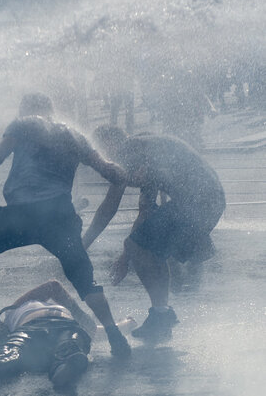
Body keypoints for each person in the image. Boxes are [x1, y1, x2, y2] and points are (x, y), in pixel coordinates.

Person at [0, 93, 131, 357]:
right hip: (59, 216)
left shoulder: (24, 124)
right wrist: (120, 172)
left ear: (27, 110)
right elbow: (107, 168)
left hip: (20, 215)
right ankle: (115, 335)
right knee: (83, 276)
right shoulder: (74, 136)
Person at [84, 125, 225, 341]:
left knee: (140, 247)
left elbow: (110, 206)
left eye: (100, 152)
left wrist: (83, 244)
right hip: (209, 200)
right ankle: (161, 317)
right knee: (148, 249)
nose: (101, 161)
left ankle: (162, 315)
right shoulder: (146, 149)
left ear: (109, 143)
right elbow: (145, 212)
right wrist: (127, 255)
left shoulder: (127, 151)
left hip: (197, 202)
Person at [0, 280, 99, 393]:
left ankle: (65, 367)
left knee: (12, 351)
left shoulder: (13, 310)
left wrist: (82, 316)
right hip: (52, 327)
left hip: (59, 326)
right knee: (12, 350)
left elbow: (53, 286)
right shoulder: (8, 321)